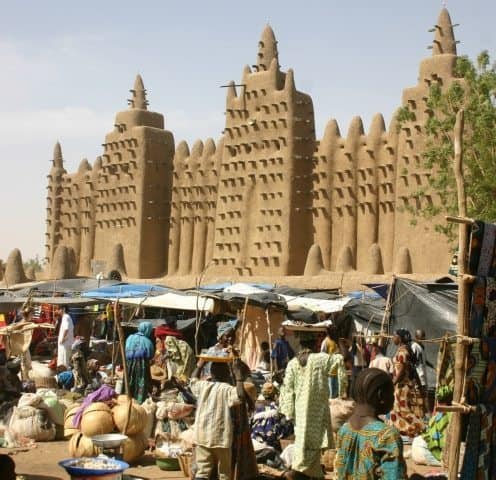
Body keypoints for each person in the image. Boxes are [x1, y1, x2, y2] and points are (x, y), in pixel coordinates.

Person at [334, 368, 407, 479]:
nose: (393, 399)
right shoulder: (387, 436)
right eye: (391, 394)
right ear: (380, 395)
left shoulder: (344, 430)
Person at [279, 337, 334, 479]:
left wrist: (289, 413)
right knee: (312, 449)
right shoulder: (321, 360)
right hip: (317, 413)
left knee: (304, 446)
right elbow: (343, 360)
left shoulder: (292, 364)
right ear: (316, 343)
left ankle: (300, 473)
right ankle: (295, 473)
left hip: (300, 415)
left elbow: (287, 390)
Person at [191, 358, 246, 480]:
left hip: (202, 435)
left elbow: (193, 380)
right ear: (227, 373)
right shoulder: (227, 389)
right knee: (224, 473)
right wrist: (239, 377)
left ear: (211, 373)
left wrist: (200, 365)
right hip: (221, 437)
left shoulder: (203, 386)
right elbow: (241, 396)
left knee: (202, 471)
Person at [390, 329, 425, 437]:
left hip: (402, 386)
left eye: (394, 336)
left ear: (399, 338)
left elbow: (402, 370)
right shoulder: (403, 350)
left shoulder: (402, 352)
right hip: (401, 385)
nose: (392, 338)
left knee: (404, 411)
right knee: (395, 411)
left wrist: (393, 382)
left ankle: (422, 427)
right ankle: (404, 432)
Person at [125, 321, 155, 403]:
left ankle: (126, 399)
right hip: (142, 366)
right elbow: (150, 355)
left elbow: (126, 350)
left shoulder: (130, 338)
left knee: (129, 380)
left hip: (129, 363)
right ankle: (139, 401)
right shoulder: (147, 341)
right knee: (141, 382)